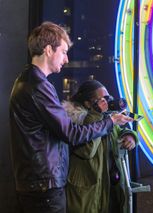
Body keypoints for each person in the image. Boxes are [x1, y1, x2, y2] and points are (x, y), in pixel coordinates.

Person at [9, 22, 133, 213]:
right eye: (64, 51)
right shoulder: (38, 86)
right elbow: (72, 134)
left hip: (38, 183)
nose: (66, 59)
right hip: (44, 187)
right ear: (49, 50)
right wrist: (110, 121)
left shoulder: (28, 81)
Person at [62, 80, 137, 213]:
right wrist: (96, 114)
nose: (107, 102)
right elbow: (87, 151)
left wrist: (130, 136)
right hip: (88, 194)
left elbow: (119, 132)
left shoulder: (107, 119)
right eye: (102, 99)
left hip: (109, 189)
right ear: (87, 103)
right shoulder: (76, 121)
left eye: (108, 98)